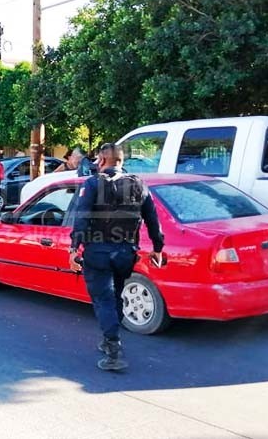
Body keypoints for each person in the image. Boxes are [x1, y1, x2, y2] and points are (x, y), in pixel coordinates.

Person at [69, 144, 164, 371]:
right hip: (125, 253)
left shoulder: (92, 184)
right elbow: (152, 219)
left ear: (102, 161)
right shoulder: (139, 184)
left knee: (103, 299)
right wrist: (158, 248)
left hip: (99, 252)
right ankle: (108, 340)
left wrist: (74, 249)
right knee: (116, 294)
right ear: (121, 161)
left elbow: (81, 218)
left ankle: (114, 350)